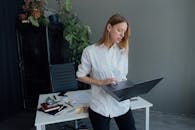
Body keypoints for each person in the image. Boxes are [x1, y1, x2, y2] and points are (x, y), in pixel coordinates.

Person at [76, 14, 136, 130]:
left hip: (121, 104)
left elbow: (123, 77)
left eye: (124, 32)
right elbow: (80, 76)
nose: (122, 35)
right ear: (109, 27)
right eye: (119, 30)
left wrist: (129, 89)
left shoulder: (122, 51)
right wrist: (101, 82)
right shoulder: (90, 51)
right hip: (100, 107)